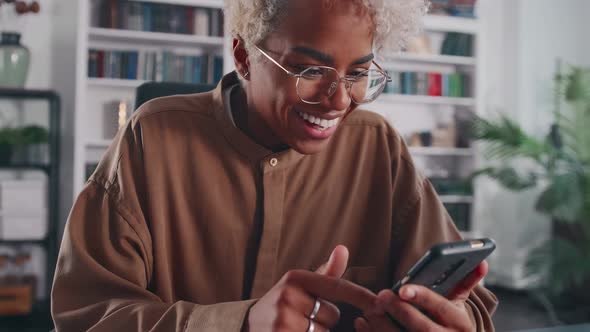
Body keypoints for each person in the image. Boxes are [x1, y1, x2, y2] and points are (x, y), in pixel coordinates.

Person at [51, 0, 498, 331]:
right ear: (244, 57)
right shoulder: (152, 139)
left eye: (359, 73)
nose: (340, 100)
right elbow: (85, 316)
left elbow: (470, 304)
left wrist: (451, 319)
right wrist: (242, 323)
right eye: (309, 70)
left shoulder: (377, 145)